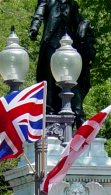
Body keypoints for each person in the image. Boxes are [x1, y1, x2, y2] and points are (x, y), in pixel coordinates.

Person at [29, 0, 96, 128]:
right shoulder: (48, 1)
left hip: (68, 49)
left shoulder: (73, 5)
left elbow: (79, 22)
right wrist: (34, 28)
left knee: (72, 81)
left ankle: (78, 114)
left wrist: (85, 24)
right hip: (50, 44)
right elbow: (39, 14)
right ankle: (48, 113)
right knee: (48, 80)